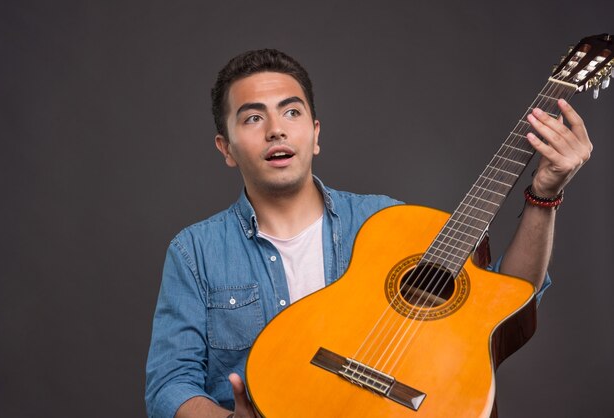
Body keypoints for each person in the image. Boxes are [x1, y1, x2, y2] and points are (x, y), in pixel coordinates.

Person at [145, 49, 592, 418]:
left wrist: (543, 195)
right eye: (252, 118)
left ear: (315, 134)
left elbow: (507, 297)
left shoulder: (389, 222)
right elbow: (169, 384)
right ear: (226, 148)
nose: (276, 129)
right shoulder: (195, 252)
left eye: (292, 111)